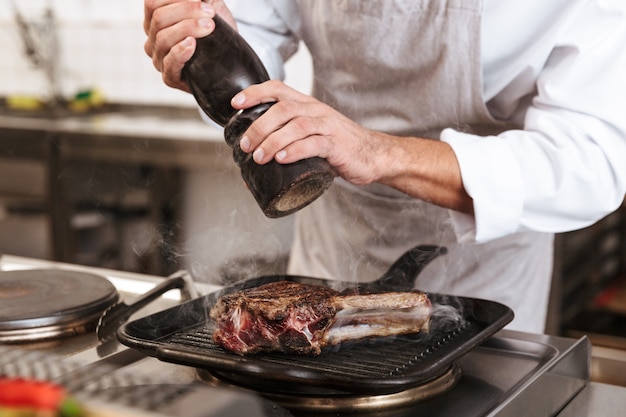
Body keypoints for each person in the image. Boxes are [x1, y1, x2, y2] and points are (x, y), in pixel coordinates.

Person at [143, 0, 626, 333]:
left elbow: (590, 160)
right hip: (339, 238)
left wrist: (377, 153)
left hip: (485, 268)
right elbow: (259, 29)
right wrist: (205, 42)